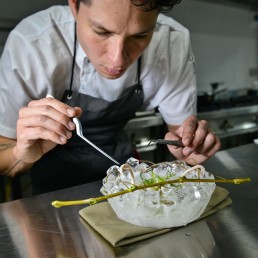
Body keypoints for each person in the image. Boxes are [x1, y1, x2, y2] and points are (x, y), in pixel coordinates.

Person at [0, 0, 221, 195]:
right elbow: (5, 163)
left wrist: (190, 148)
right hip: (50, 189)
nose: (117, 60)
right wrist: (21, 154)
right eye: (102, 32)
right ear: (74, 5)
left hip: (124, 177)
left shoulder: (172, 42)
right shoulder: (32, 43)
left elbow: (183, 140)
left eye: (140, 35)